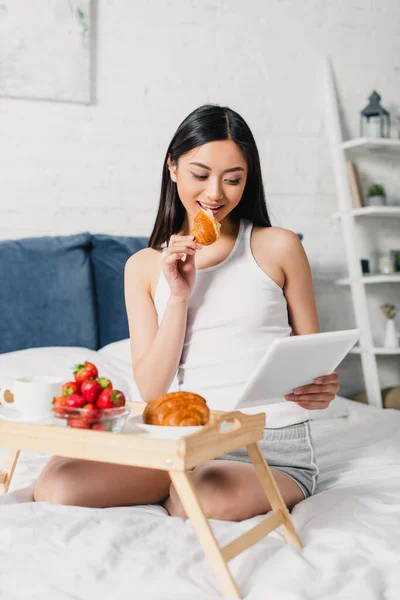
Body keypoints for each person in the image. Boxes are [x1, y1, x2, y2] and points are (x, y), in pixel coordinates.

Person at [34, 104, 339, 519]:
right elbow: (153, 390)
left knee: (198, 498)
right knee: (57, 487)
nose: (215, 194)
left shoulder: (278, 246)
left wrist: (323, 387)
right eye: (200, 175)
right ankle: (163, 482)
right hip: (176, 440)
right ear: (172, 167)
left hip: (263, 445)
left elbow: (314, 361)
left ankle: (182, 489)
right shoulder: (142, 267)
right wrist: (178, 296)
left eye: (233, 180)